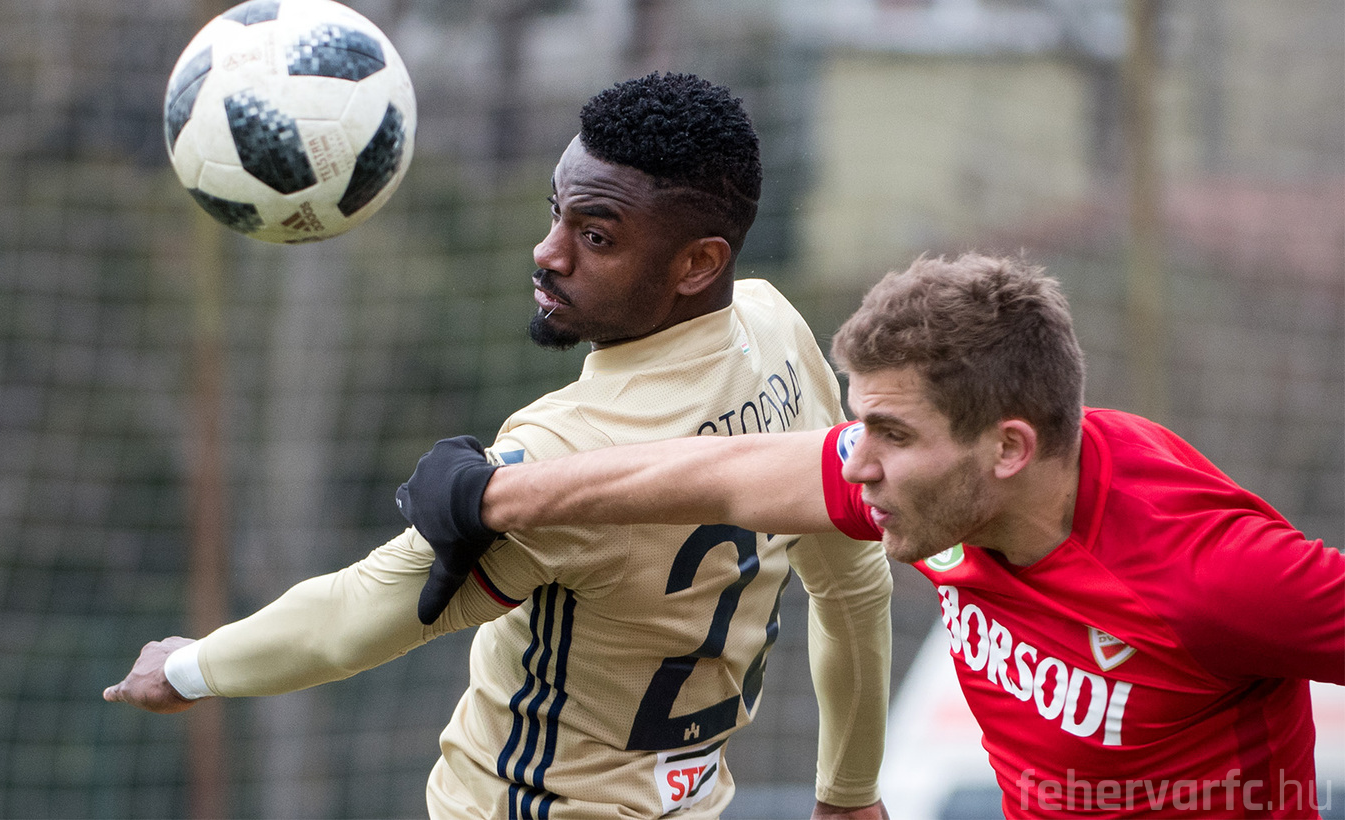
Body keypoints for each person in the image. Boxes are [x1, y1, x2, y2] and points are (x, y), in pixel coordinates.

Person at [106, 72, 894, 819]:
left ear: (697, 263)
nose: (549, 252)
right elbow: (853, 583)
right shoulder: (776, 334)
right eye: (556, 213)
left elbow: (363, 613)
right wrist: (850, 787)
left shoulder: (566, 455)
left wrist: (189, 667)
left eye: (595, 235)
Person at [401, 252, 1345, 819]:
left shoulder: (1211, 574)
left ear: (1008, 448)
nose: (856, 466)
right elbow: (727, 473)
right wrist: (495, 494)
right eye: (860, 427)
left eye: (890, 434)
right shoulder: (934, 488)